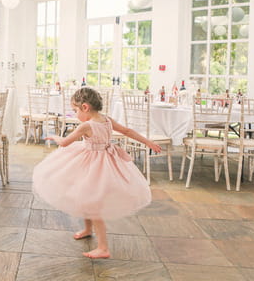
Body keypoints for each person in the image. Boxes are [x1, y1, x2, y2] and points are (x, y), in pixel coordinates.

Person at [32, 87, 161, 259]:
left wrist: (53, 137)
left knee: (93, 205)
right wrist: (148, 142)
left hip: (94, 165)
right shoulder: (107, 120)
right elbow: (128, 132)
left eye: (75, 110)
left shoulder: (86, 125)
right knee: (85, 196)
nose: (75, 114)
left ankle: (103, 248)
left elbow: (64, 143)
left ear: (85, 107)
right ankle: (87, 229)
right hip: (105, 161)